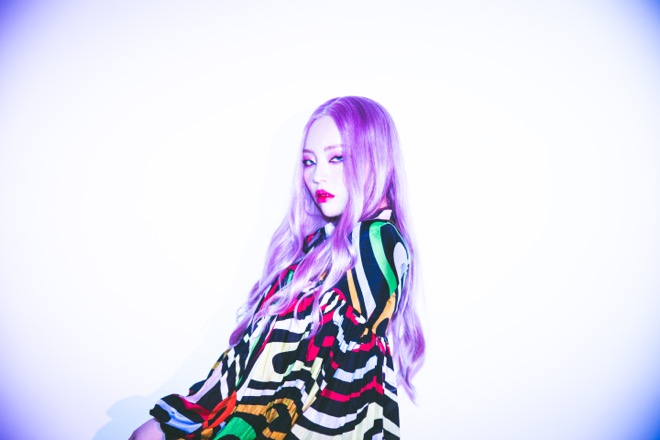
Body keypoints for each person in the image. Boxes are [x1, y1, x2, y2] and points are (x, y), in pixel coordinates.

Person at [130, 96, 425, 440]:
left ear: (374, 156)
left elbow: (314, 369)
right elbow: (254, 358)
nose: (318, 176)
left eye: (337, 158)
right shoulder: (321, 247)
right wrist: (185, 415)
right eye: (309, 161)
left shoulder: (376, 240)